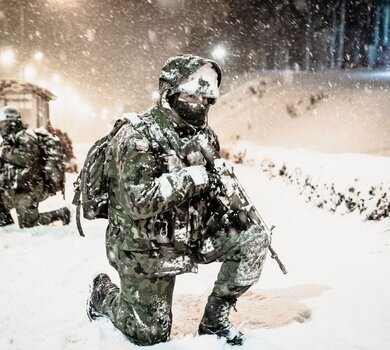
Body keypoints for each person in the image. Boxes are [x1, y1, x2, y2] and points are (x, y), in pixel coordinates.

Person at [87, 54, 269, 346]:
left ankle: (214, 321)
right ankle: (104, 296)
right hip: (144, 247)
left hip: (189, 234)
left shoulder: (205, 136)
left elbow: (208, 190)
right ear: (170, 92)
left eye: (205, 99)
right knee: (149, 334)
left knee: (254, 237)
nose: (198, 104)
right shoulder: (138, 135)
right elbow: (139, 200)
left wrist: (222, 191)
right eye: (190, 95)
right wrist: (194, 178)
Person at [0, 106, 70, 228]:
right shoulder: (9, 140)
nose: (0, 126)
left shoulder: (25, 137)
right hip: (14, 187)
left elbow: (26, 159)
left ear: (11, 122)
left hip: (29, 188)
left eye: (2, 123)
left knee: (29, 224)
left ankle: (61, 214)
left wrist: (5, 152)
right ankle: (7, 227)